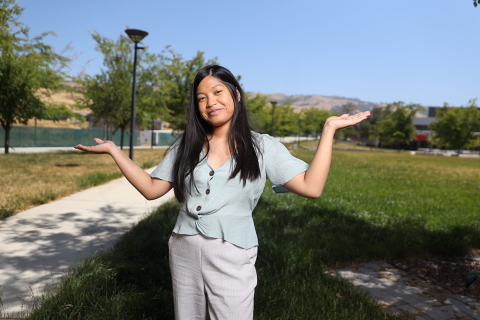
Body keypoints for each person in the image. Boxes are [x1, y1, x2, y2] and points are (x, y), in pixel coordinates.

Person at [74, 65, 370, 320]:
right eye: (201, 97)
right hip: (183, 248)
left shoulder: (261, 146)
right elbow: (153, 189)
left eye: (217, 92)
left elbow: (311, 186)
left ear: (235, 95)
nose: (210, 102)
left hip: (233, 251)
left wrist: (328, 129)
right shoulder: (185, 144)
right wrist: (114, 151)